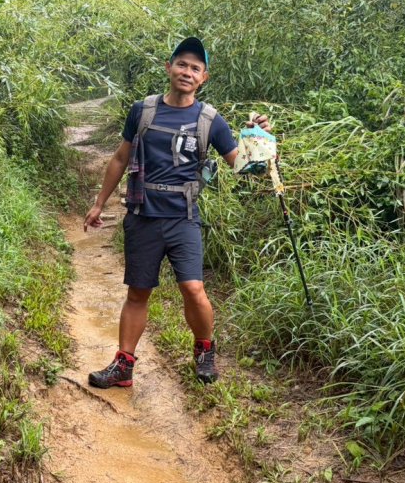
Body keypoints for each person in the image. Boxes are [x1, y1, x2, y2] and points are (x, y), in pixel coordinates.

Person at [82, 37, 270, 388]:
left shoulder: (211, 120)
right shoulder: (143, 110)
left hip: (183, 217)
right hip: (142, 215)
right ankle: (123, 366)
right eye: (181, 64)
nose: (187, 71)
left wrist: (257, 139)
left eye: (195, 68)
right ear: (168, 68)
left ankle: (204, 353)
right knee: (138, 292)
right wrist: (98, 203)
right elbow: (121, 158)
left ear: (204, 77)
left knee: (193, 288)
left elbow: (241, 166)